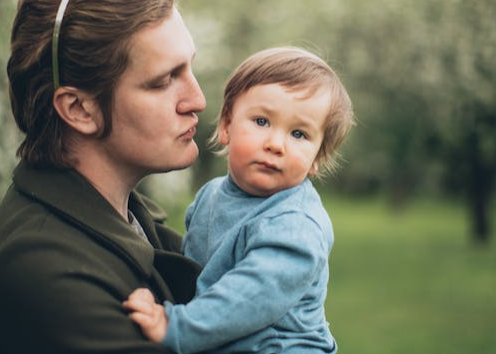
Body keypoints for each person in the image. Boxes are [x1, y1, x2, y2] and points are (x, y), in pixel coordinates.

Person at [0, 0, 206, 353]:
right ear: (80, 109)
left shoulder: (128, 220)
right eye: (162, 81)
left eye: (189, 68)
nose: (197, 99)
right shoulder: (49, 273)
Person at [124, 47, 355, 354]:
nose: (275, 144)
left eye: (299, 134)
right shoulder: (210, 196)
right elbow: (196, 272)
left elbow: (250, 297)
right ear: (226, 126)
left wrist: (174, 325)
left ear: (317, 158)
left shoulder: (296, 225)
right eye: (261, 121)